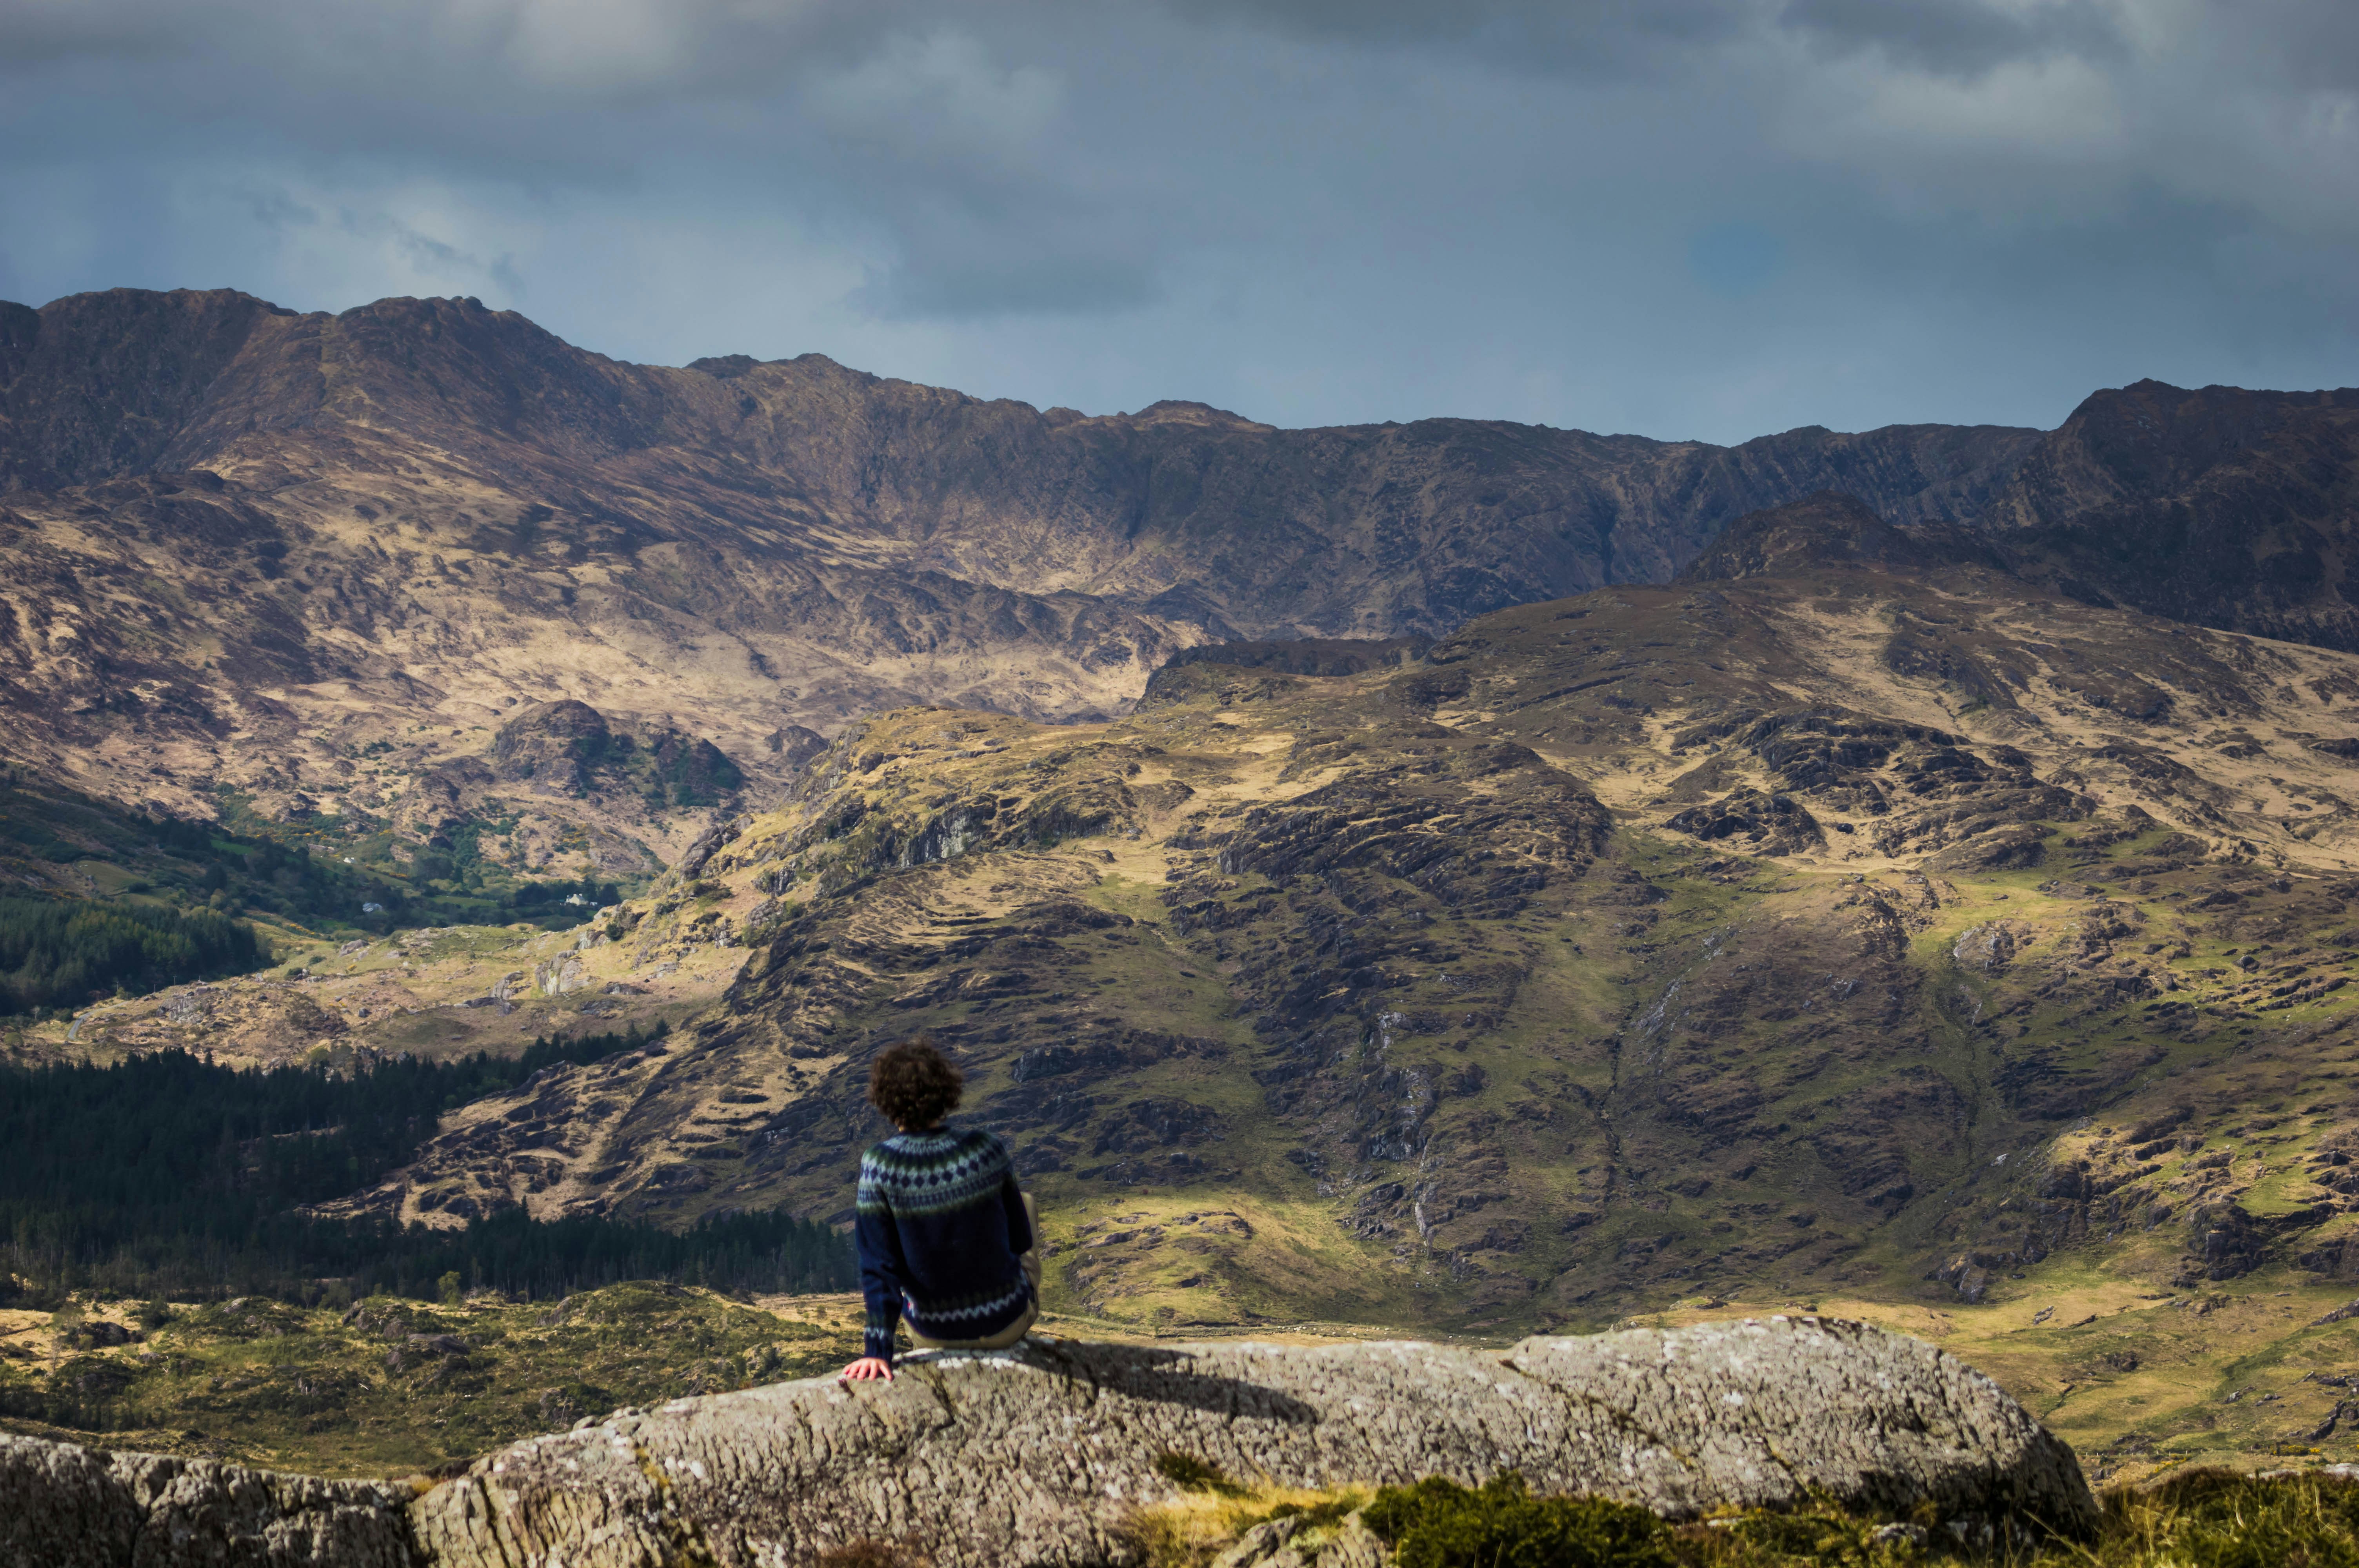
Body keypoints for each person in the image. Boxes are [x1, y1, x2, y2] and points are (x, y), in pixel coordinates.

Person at [839, 1037, 1038, 1382]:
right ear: (946, 1091)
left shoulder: (879, 1164)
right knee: (1027, 1203)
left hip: (934, 1334)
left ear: (884, 1100)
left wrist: (876, 1351)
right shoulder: (986, 1149)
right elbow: (1020, 1241)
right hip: (1007, 1323)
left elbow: (879, 1266)